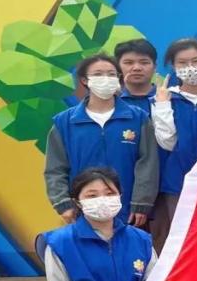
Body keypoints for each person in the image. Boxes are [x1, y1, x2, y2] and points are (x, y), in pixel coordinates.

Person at [45, 54, 159, 227]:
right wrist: (63, 203)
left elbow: (148, 163)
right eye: (98, 74)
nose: (106, 79)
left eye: (111, 74)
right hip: (83, 210)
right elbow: (55, 169)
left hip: (128, 211)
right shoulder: (64, 122)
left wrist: (142, 202)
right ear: (84, 80)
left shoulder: (138, 118)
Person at [150, 37, 197, 251]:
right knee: (182, 242)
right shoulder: (165, 99)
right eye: (182, 63)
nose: (190, 67)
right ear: (173, 67)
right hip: (177, 183)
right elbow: (167, 142)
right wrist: (162, 105)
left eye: (196, 61)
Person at [114, 38, 158, 116]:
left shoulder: (171, 99)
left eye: (144, 63)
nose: (137, 68)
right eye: (129, 63)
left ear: (155, 67)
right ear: (117, 67)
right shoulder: (111, 100)